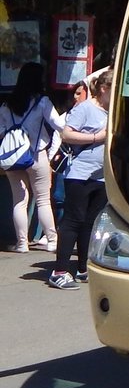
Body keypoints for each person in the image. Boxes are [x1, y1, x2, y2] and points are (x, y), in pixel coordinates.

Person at [47, 70, 111, 290]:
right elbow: (67, 134)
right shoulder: (85, 108)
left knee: (90, 224)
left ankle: (83, 268)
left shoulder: (112, 111)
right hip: (80, 174)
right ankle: (60, 271)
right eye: (114, 90)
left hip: (101, 176)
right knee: (73, 221)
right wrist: (96, 137)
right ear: (104, 89)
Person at [1, 62, 64, 254]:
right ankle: (52, 241)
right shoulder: (42, 102)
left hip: (12, 157)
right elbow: (59, 125)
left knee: (19, 200)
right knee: (43, 199)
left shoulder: (7, 104)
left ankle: (22, 243)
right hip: (37, 155)